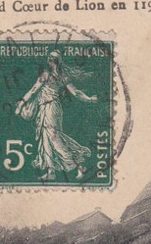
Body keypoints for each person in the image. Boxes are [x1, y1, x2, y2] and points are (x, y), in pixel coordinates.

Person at [14, 50, 99, 180]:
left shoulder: (48, 75)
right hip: (47, 108)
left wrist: (21, 104)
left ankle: (78, 165)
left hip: (51, 108)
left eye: (50, 58)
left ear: (53, 61)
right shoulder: (61, 76)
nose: (48, 59)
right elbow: (75, 92)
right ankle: (51, 171)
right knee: (46, 138)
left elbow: (33, 90)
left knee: (54, 137)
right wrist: (89, 99)